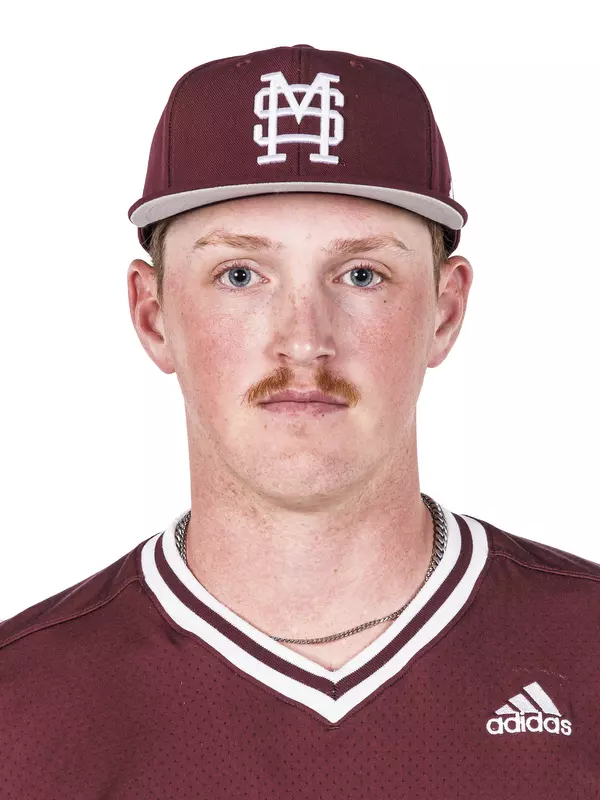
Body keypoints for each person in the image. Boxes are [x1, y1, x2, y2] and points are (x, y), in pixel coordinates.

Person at [1, 44, 598, 799]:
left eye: (361, 274)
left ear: (445, 311)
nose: (304, 338)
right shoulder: (19, 707)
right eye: (240, 275)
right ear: (152, 317)